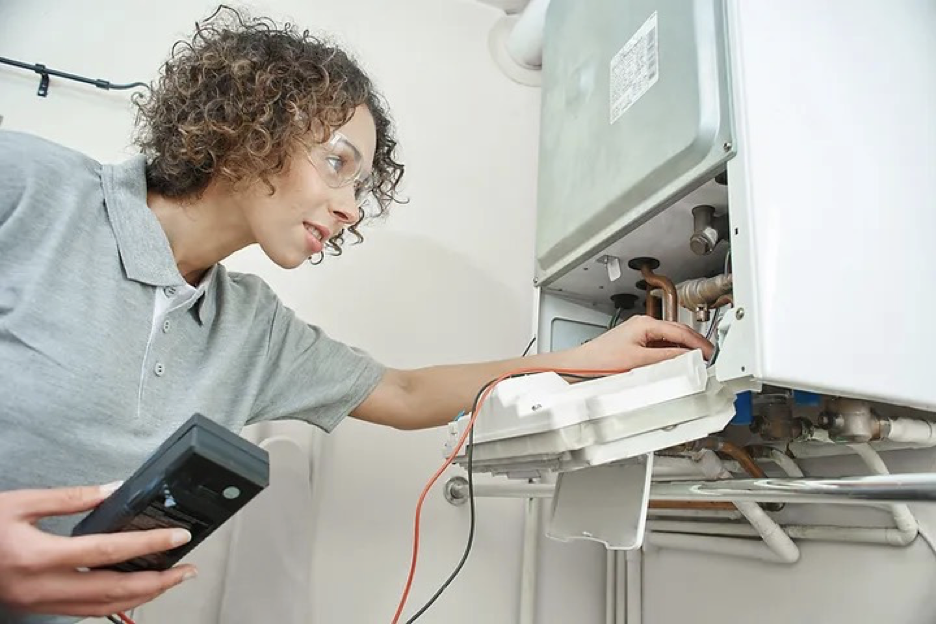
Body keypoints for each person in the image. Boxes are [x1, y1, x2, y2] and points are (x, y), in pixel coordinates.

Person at [0, 6, 712, 622]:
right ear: (251, 125)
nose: (349, 209)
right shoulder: (32, 189)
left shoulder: (250, 327)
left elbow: (401, 393)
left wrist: (582, 361)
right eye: (337, 163)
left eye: (363, 188)